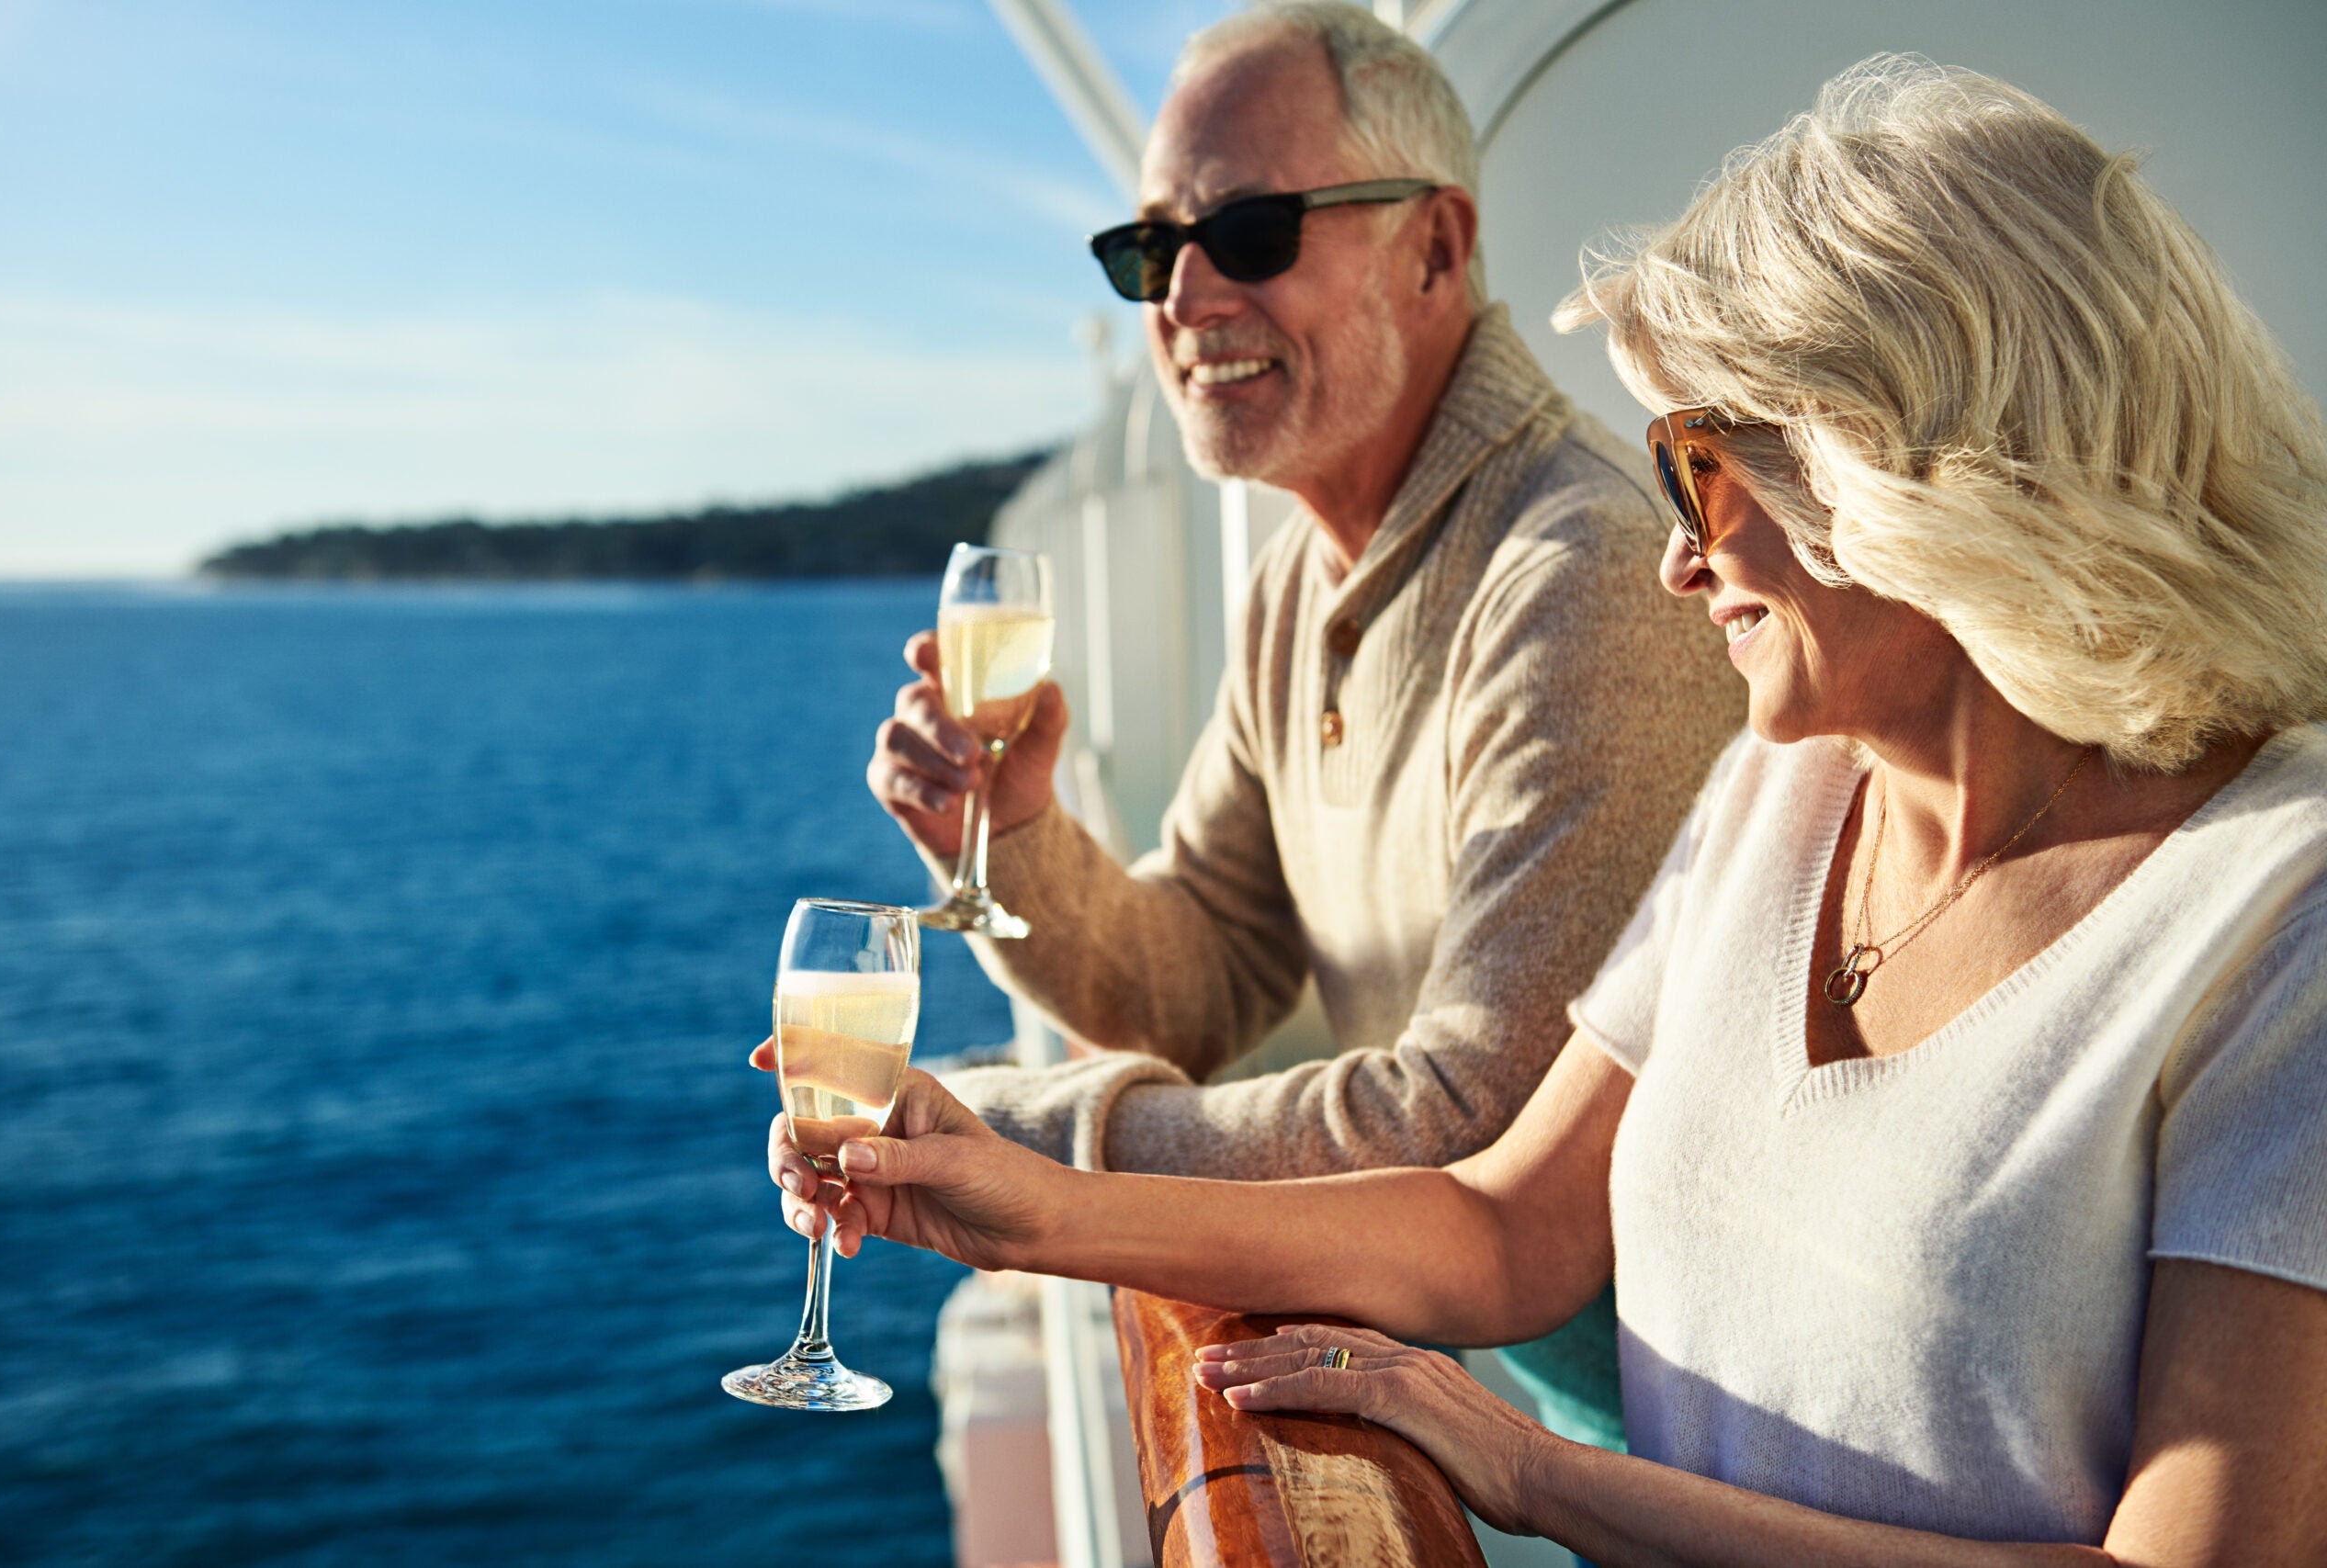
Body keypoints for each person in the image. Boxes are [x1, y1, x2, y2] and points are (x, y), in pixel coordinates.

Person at [774, 57, 2327, 1561]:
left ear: (1922, 475)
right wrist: (1020, 1204)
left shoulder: (2280, 919)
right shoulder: (1784, 793)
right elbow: (1505, 1222)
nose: (1675, 559)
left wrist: (1538, 1477)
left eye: (1704, 473)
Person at [861, 1, 1739, 1453]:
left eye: (1252, 232)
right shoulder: (1303, 578)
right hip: (1578, 1405)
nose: (1187, 299)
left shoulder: (1579, 579)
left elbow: (1466, 1133)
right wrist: (1016, 835)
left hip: (1717, 1440)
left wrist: (1020, 1145)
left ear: (1437, 249)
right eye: (1150, 251)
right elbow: (1200, 980)